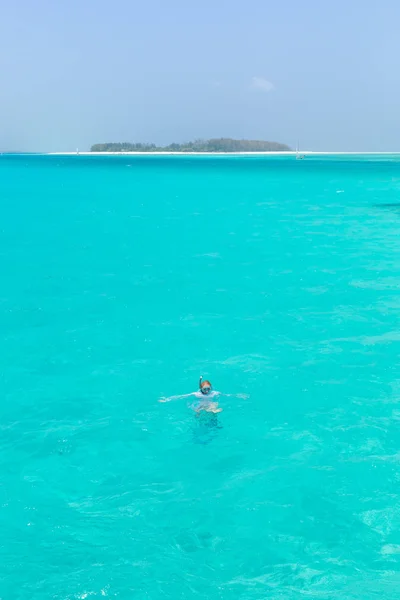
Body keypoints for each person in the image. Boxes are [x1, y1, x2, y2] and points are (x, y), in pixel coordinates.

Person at [159, 376, 248, 414]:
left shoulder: (214, 393)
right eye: (204, 389)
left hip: (211, 404)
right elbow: (181, 396)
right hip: (201, 405)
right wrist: (167, 399)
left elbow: (227, 395)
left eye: (208, 389)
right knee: (197, 412)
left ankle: (213, 411)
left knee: (213, 407)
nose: (206, 391)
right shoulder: (197, 394)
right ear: (201, 388)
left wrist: (239, 396)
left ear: (211, 388)